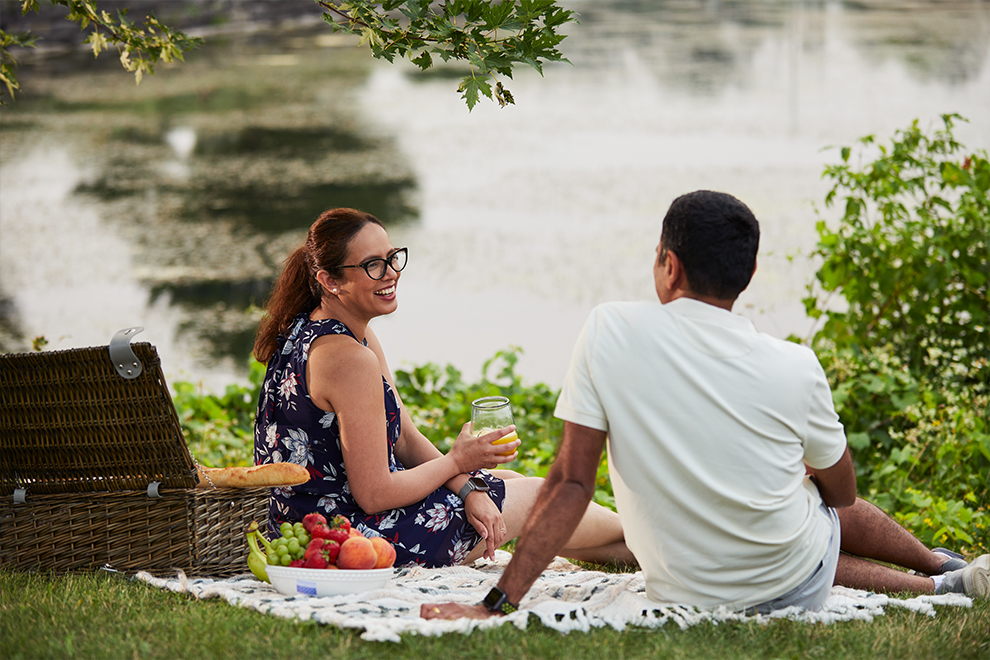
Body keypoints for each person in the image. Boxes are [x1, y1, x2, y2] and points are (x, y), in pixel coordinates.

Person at [422, 190, 990, 618]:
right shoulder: (794, 364)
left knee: (783, 523)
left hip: (683, 586)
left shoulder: (608, 330)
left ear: (668, 265)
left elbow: (571, 485)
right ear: (750, 273)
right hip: (795, 582)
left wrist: (496, 603)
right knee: (807, 499)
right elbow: (842, 496)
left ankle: (943, 572)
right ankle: (939, 574)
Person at [252, 207, 636, 568]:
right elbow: (374, 494)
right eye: (372, 265)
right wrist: (457, 461)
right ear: (330, 280)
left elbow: (403, 436)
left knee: (507, 485)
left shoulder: (319, 330)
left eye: (392, 257)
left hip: (314, 523)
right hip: (347, 540)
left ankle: (646, 550)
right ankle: (654, 539)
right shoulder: (347, 358)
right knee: (537, 495)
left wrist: (468, 487)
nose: (390, 273)